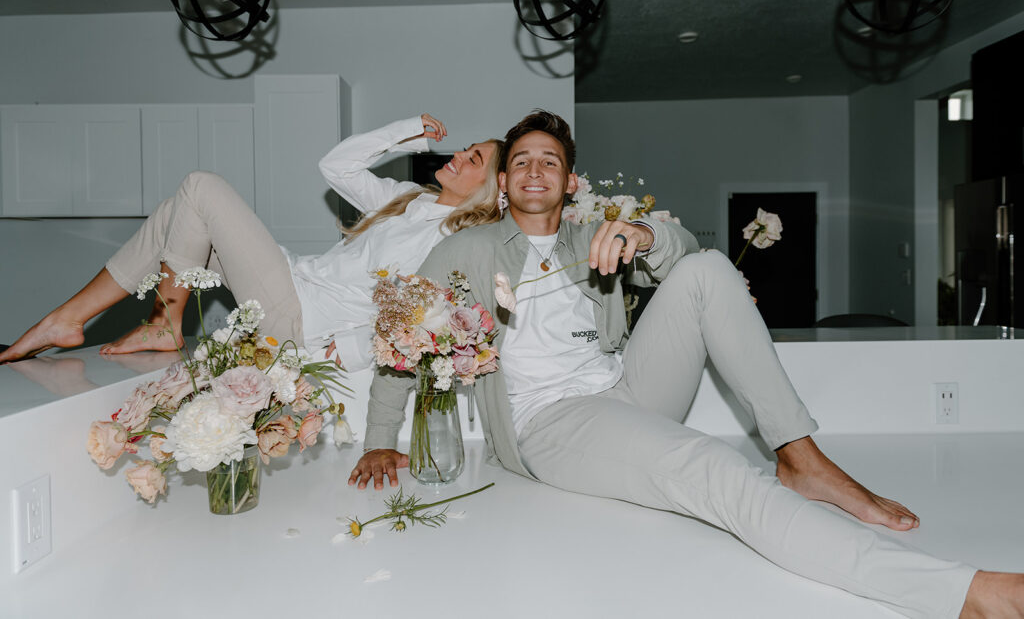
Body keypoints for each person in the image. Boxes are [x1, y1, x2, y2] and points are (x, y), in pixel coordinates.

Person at [351, 111, 1024, 618]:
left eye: (549, 161)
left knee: (704, 268)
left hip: (625, 389)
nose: (534, 170)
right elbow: (405, 337)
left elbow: (676, 253)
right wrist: (381, 439)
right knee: (715, 469)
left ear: (569, 180)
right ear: (502, 183)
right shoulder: (463, 253)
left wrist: (641, 233)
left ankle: (799, 454)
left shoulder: (595, 234)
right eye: (521, 160)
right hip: (550, 426)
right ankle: (964, 594)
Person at [0, 114, 503, 369]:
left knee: (202, 186)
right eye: (467, 147)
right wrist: (408, 132)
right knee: (179, 211)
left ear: (489, 191)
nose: (460, 154)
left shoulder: (458, 240)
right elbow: (335, 166)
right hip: (290, 283)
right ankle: (66, 320)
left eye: (475, 159)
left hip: (302, 321)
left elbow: (411, 321)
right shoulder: (408, 197)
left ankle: (163, 322)